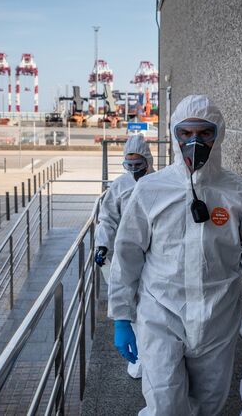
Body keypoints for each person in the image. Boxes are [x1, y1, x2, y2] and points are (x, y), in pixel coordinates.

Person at [108, 95, 242, 415]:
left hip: (218, 319)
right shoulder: (150, 190)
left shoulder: (240, 195)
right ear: (174, 133)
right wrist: (122, 316)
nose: (194, 142)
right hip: (160, 313)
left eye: (204, 134)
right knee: (165, 403)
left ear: (218, 134)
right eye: (185, 134)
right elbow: (127, 254)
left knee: (209, 404)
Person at [94, 132, 153, 379]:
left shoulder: (160, 183)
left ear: (148, 161)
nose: (133, 169)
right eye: (129, 165)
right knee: (130, 300)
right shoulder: (119, 187)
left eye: (138, 164)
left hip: (153, 254)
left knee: (150, 305)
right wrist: (102, 245)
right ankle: (139, 356)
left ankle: (150, 356)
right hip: (126, 253)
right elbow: (108, 218)